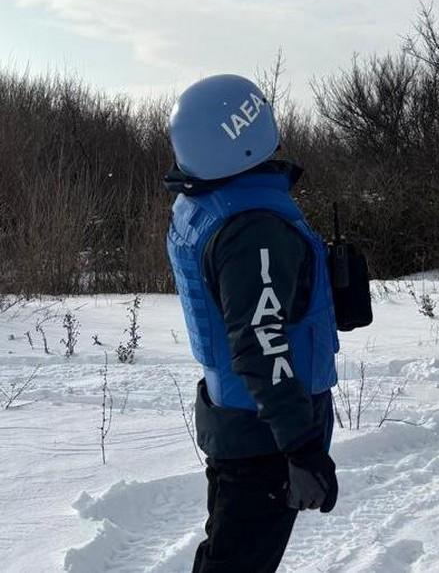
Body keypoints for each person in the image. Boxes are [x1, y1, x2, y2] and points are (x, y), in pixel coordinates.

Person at [164, 74, 339, 573]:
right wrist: (301, 446)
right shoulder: (253, 229)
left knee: (228, 554)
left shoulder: (205, 205)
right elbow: (263, 342)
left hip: (239, 417)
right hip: (264, 431)